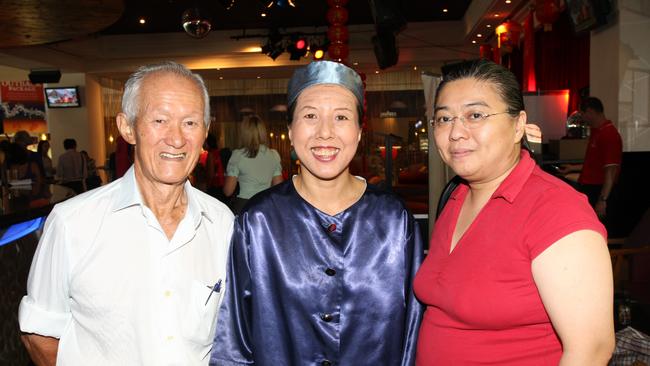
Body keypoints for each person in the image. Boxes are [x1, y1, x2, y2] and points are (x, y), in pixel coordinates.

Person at [19, 61, 234, 365]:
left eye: (190, 123)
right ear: (128, 128)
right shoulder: (72, 222)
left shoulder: (222, 222)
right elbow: (39, 334)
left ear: (205, 132)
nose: (176, 138)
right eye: (160, 120)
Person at [211, 61, 423, 366]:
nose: (325, 132)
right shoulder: (259, 222)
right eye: (310, 116)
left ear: (360, 132)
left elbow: (413, 332)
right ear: (290, 129)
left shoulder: (393, 220)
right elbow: (234, 342)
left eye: (341, 117)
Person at [413, 59, 614, 365]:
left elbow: (592, 350)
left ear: (518, 124)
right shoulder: (456, 195)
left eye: (475, 115)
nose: (455, 133)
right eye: (444, 119)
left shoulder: (555, 210)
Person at [561, 97, 623, 221]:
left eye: (582, 114)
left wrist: (602, 200)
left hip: (598, 190)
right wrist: (572, 168)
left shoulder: (609, 134)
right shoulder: (597, 132)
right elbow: (596, 163)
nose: (582, 118)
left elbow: (611, 171)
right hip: (591, 189)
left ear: (589, 111)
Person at [223, 114, 283, 214]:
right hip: (266, 206)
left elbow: (228, 191)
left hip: (244, 206)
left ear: (244, 133)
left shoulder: (238, 155)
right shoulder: (274, 155)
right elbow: (279, 187)